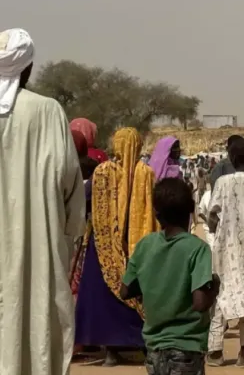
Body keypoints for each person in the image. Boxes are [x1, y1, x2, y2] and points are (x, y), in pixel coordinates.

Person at [0, 28, 85, 375]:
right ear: (28, 68)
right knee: (33, 327)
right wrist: (66, 238)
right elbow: (70, 183)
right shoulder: (48, 111)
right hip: (36, 247)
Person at [74, 127, 159, 366]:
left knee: (101, 296)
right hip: (138, 246)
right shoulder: (147, 174)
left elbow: (85, 200)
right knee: (137, 293)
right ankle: (141, 344)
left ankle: (110, 351)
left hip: (103, 245)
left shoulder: (103, 172)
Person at [120, 178, 220, 375]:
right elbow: (200, 303)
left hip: (154, 349)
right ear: (191, 210)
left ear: (157, 214)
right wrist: (215, 286)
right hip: (187, 347)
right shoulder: (198, 249)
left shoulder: (145, 245)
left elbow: (125, 291)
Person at [206, 138, 244, 368]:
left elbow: (212, 213)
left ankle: (215, 351)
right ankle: (243, 353)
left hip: (225, 247)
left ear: (231, 158)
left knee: (220, 294)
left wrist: (215, 227)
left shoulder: (222, 182)